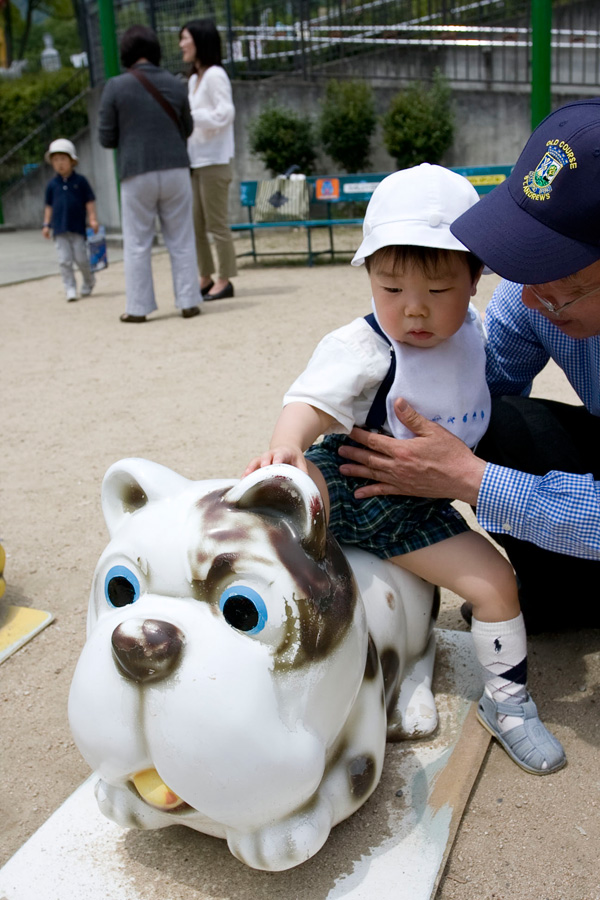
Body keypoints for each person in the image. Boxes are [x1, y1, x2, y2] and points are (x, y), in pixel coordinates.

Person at [244, 163, 565, 776]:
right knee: (278, 508)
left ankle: (510, 705)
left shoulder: (477, 333)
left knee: (497, 584)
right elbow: (310, 401)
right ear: (369, 278)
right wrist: (287, 446)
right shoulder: (364, 345)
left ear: (476, 280)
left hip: (419, 506)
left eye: (437, 292)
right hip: (350, 480)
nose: (413, 311)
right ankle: (245, 649)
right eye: (391, 290)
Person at [337, 99, 600, 636]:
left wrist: (470, 478)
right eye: (523, 258)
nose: (529, 296)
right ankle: (572, 598)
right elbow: (473, 386)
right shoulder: (536, 295)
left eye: (556, 275)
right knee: (496, 421)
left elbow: (467, 470)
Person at [98, 24, 201, 323]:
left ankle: (139, 308)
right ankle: (188, 300)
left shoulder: (115, 86)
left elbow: (106, 137)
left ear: (127, 53)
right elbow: (189, 128)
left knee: (138, 242)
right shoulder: (174, 82)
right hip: (176, 169)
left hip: (136, 171)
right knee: (181, 237)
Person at [179, 19, 237, 301]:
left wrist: (192, 118)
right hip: (196, 160)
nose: (181, 45)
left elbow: (226, 114)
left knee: (216, 224)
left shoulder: (215, 75)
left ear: (200, 41)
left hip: (214, 161)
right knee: (196, 225)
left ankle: (224, 279)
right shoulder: (193, 79)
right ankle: (205, 276)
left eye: (185, 39)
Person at [42, 138, 98, 302]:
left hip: (77, 227)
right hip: (59, 229)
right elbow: (48, 206)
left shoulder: (80, 181)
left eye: (63, 159)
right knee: (64, 261)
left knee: (81, 259)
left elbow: (89, 201)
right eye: (56, 160)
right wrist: (46, 224)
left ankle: (89, 281)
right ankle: (70, 288)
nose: (60, 163)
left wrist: (93, 219)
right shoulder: (52, 185)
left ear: (72, 161)